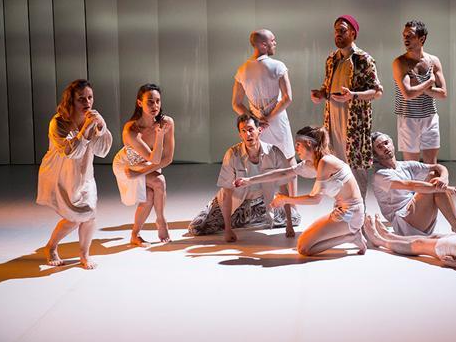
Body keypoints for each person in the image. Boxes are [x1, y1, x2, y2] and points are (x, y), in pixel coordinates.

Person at [234, 126, 367, 256]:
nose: (296, 148)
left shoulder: (325, 162)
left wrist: (285, 199)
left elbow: (315, 199)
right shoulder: (313, 162)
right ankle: (349, 234)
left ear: (308, 143)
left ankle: (351, 237)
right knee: (302, 244)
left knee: (304, 249)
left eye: (298, 144)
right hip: (340, 211)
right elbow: (283, 173)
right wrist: (249, 180)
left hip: (351, 214)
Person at [37, 79, 112, 269]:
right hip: (62, 175)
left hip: (84, 174)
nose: (87, 102)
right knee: (74, 218)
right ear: (71, 101)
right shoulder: (58, 122)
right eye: (81, 99)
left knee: (90, 214)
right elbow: (71, 152)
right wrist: (86, 129)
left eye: (90, 97)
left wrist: (102, 127)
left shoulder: (92, 119)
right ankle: (51, 246)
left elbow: (102, 151)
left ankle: (84, 255)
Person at [188, 114, 298, 242]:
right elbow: (227, 193)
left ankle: (248, 218)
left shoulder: (274, 152)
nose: (248, 134)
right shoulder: (232, 154)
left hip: (261, 201)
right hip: (235, 201)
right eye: (243, 131)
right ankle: (240, 218)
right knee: (196, 228)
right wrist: (228, 229)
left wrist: (289, 224)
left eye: (251, 130)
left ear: (259, 130)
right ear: (240, 135)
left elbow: (284, 188)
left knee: (295, 219)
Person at [310, 15, 383, 199]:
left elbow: (377, 91)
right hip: (333, 123)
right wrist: (320, 94)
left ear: (353, 34)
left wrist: (354, 95)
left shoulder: (363, 59)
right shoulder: (331, 59)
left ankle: (359, 210)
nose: (338, 34)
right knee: (336, 168)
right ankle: (342, 209)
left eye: (342, 31)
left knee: (356, 169)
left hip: (354, 126)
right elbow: (327, 87)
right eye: (336, 31)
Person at [232, 29, 298, 208]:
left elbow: (236, 103)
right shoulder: (278, 66)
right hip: (277, 120)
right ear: (263, 44)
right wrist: (269, 116)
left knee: (263, 164)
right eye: (272, 40)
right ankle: (292, 207)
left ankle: (266, 205)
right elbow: (287, 98)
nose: (275, 43)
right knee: (289, 161)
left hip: (258, 124)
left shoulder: (242, 70)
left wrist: (255, 119)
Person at [112, 84, 175, 247]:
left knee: (149, 195)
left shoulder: (166, 122)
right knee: (159, 182)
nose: (155, 106)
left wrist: (140, 173)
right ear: (139, 103)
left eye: (158, 101)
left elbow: (167, 158)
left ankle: (135, 234)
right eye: (150, 102)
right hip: (126, 165)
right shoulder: (132, 129)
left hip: (144, 165)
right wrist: (159, 136)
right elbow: (155, 159)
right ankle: (161, 221)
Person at [371, 131, 456, 236]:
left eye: (386, 143)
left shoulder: (405, 165)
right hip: (404, 223)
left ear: (392, 143)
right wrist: (445, 188)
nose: (385, 147)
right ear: (375, 154)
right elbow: (410, 185)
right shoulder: (380, 175)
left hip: (417, 214)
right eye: (379, 147)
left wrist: (444, 178)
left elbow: (437, 167)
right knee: (435, 184)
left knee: (434, 175)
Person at [392, 20, 447, 163]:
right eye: (404, 35)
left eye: (410, 35)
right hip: (408, 118)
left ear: (422, 39)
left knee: (431, 165)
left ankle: (434, 180)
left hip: (429, 116)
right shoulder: (400, 62)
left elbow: (443, 93)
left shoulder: (433, 61)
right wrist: (429, 82)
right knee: (412, 166)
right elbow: (408, 94)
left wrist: (419, 87)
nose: (405, 38)